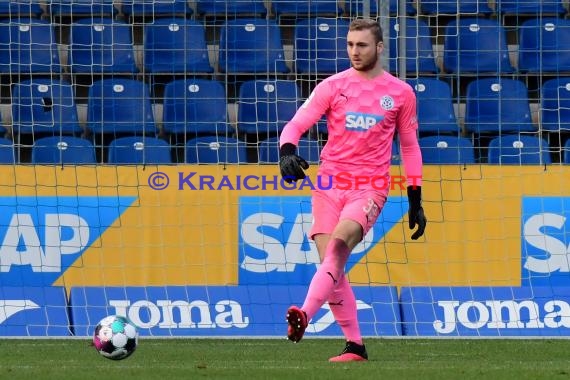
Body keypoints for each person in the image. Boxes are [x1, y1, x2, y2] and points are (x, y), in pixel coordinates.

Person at [278, 18, 427, 362]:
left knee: (339, 245)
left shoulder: (400, 93)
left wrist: (415, 199)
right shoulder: (332, 86)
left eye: (361, 45)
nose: (354, 52)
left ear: (379, 47)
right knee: (332, 263)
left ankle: (304, 315)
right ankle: (355, 346)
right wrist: (286, 151)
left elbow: (410, 147)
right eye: (349, 45)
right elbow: (296, 124)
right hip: (329, 185)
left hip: (370, 187)